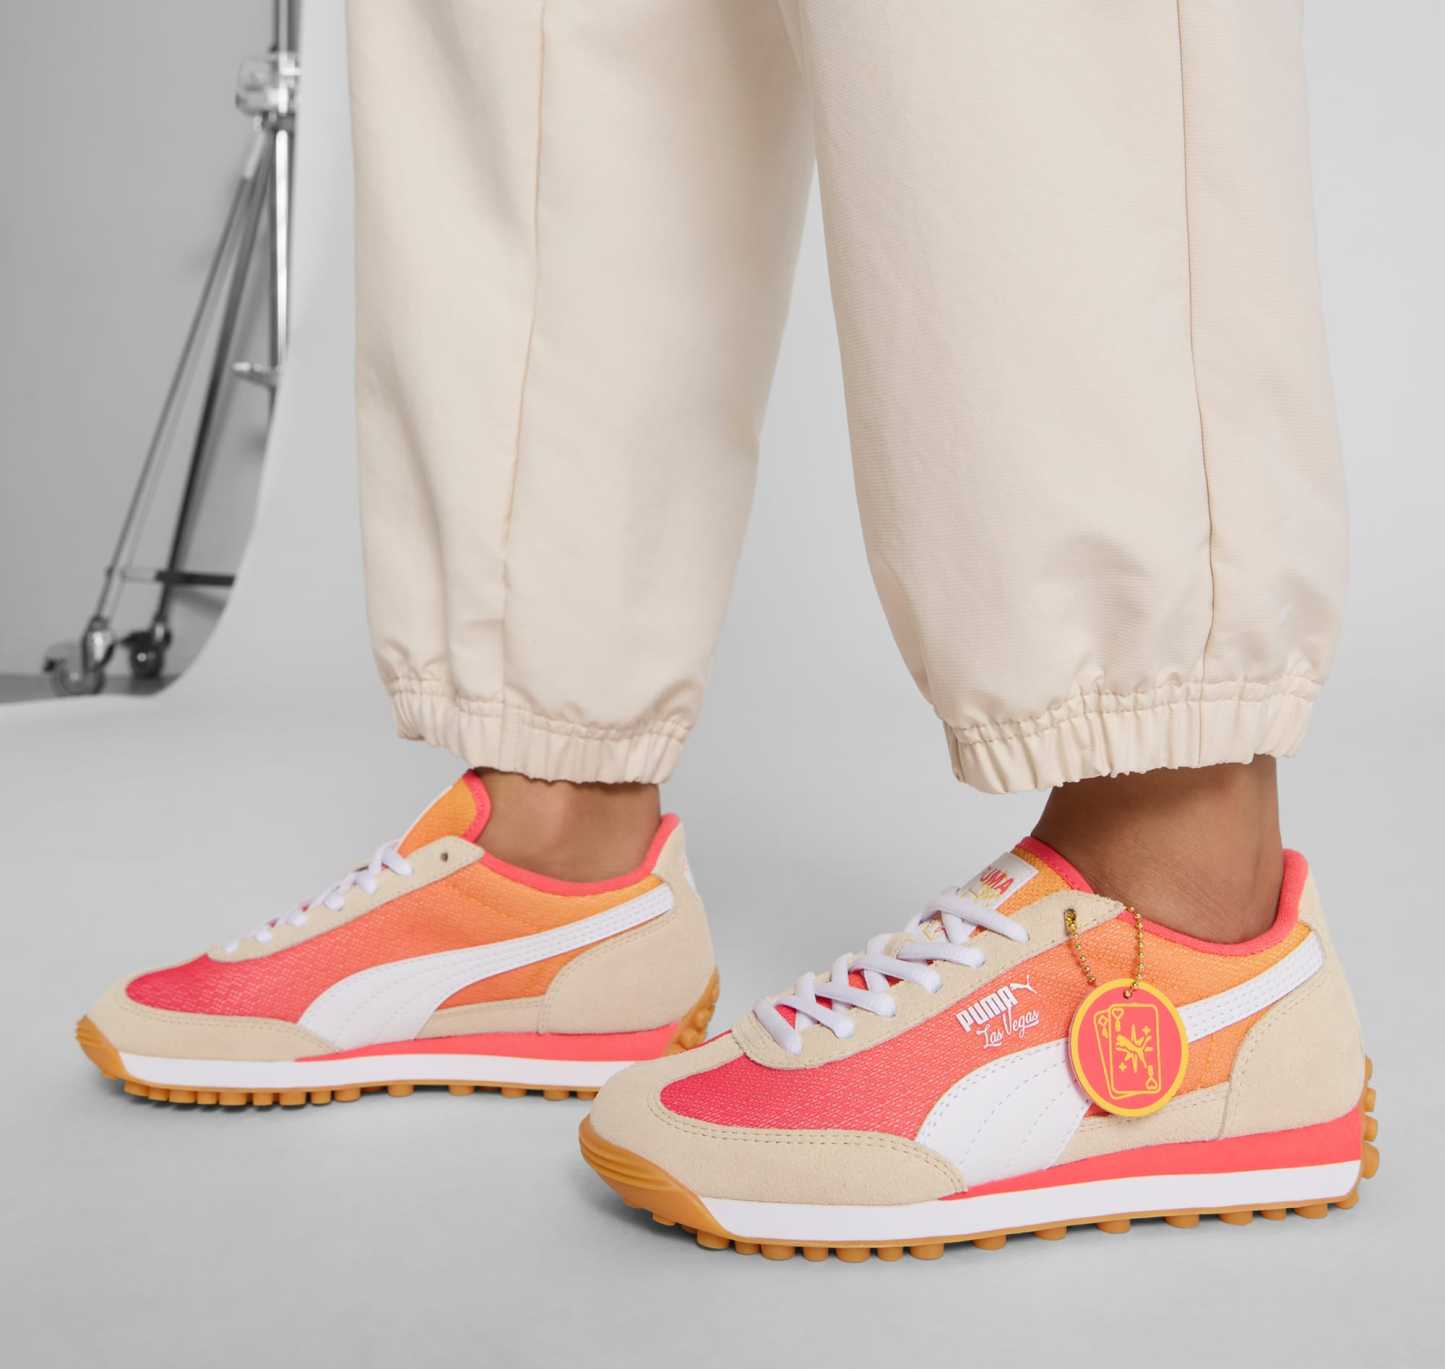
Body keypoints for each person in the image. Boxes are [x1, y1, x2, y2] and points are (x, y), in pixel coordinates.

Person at [76, 1, 1375, 1259]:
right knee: (540, 42)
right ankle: (555, 858)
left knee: (1016, 39)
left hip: (1178, 908)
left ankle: (1187, 914)